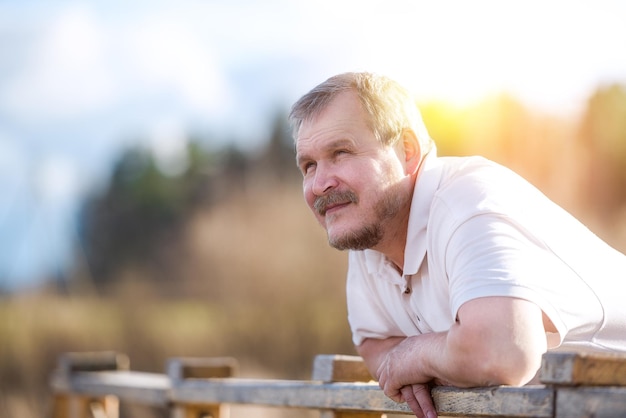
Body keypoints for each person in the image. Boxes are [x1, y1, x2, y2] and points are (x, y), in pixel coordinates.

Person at [289, 72, 626, 418]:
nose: (319, 184)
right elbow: (374, 344)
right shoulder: (367, 236)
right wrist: (430, 360)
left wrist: (415, 356)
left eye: (341, 152)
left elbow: (503, 353)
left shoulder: (466, 200)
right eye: (309, 165)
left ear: (407, 151)